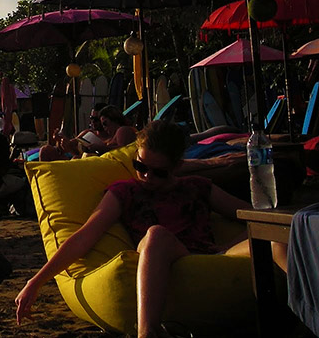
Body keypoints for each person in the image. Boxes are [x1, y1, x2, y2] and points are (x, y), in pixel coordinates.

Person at [15, 121, 261, 338]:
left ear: (177, 166)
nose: (147, 176)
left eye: (158, 172)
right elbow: (85, 236)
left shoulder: (197, 186)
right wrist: (36, 282)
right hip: (163, 255)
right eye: (140, 166)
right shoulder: (126, 191)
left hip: (211, 257)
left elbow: (257, 219)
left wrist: (229, 247)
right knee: (156, 235)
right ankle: (147, 332)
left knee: (277, 238)